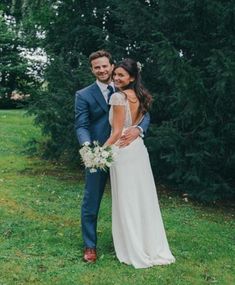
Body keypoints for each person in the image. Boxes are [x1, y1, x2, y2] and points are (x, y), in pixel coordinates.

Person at [75, 50, 150, 263]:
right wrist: (90, 149)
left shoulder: (127, 89)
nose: (102, 70)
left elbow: (145, 113)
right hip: (100, 154)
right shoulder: (83, 95)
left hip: (126, 155)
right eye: (97, 67)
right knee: (91, 200)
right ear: (92, 70)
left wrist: (139, 129)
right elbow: (81, 125)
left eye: (105, 66)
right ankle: (90, 246)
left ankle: (133, 243)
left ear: (111, 65)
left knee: (130, 200)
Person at [104, 58, 175, 268]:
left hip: (123, 150)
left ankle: (133, 247)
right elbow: (136, 121)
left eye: (121, 75)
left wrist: (99, 151)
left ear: (132, 78)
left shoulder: (118, 97)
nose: (116, 78)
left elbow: (116, 132)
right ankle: (148, 244)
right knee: (142, 197)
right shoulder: (141, 96)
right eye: (115, 74)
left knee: (127, 199)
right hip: (137, 149)